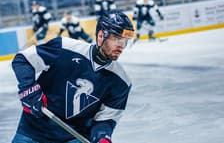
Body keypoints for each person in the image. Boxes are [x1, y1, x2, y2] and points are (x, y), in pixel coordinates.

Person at [11, 10, 134, 143]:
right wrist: (29, 88)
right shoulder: (65, 48)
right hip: (33, 132)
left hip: (73, 137)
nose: (121, 46)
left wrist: (102, 136)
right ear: (100, 35)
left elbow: (106, 120)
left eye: (124, 41)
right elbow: (22, 60)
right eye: (116, 39)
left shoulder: (121, 83)